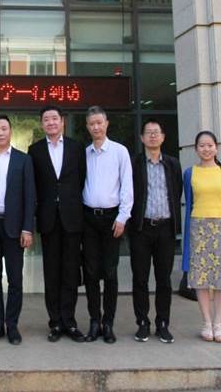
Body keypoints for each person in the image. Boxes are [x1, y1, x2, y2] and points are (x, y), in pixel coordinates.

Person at [28, 105, 86, 343]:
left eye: (54, 118)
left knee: (70, 272)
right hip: (48, 219)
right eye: (46, 119)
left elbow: (81, 179)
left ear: (62, 121)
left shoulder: (76, 147)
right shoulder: (35, 150)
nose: (51, 122)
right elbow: (33, 186)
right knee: (51, 273)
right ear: (42, 124)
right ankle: (55, 322)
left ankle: (69, 322)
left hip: (72, 218)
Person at [0, 114, 36, 346]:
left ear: (10, 131)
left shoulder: (23, 160)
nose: (0, 132)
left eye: (4, 128)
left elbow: (30, 196)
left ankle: (12, 326)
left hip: (14, 228)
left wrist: (27, 228)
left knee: (15, 280)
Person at [81, 105, 133, 344]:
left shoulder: (120, 152)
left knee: (110, 272)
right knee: (91, 272)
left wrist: (123, 217)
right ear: (87, 126)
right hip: (89, 218)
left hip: (113, 219)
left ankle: (108, 323)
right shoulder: (84, 153)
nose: (96, 127)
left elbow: (127, 186)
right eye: (92, 124)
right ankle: (94, 321)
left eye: (99, 122)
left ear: (106, 124)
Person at [129, 119, 183, 343]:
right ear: (141, 138)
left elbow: (177, 191)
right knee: (140, 278)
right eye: (148, 132)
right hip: (141, 228)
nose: (152, 136)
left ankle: (162, 323)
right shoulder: (134, 163)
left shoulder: (172, 164)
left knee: (164, 279)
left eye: (156, 132)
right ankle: (142, 322)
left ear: (163, 137)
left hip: (165, 229)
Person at [182, 130, 221, 343]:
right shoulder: (190, 173)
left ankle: (218, 323)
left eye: (210, 145)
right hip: (198, 227)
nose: (206, 149)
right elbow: (189, 203)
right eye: (202, 145)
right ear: (196, 149)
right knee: (201, 277)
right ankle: (206, 322)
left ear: (216, 147)